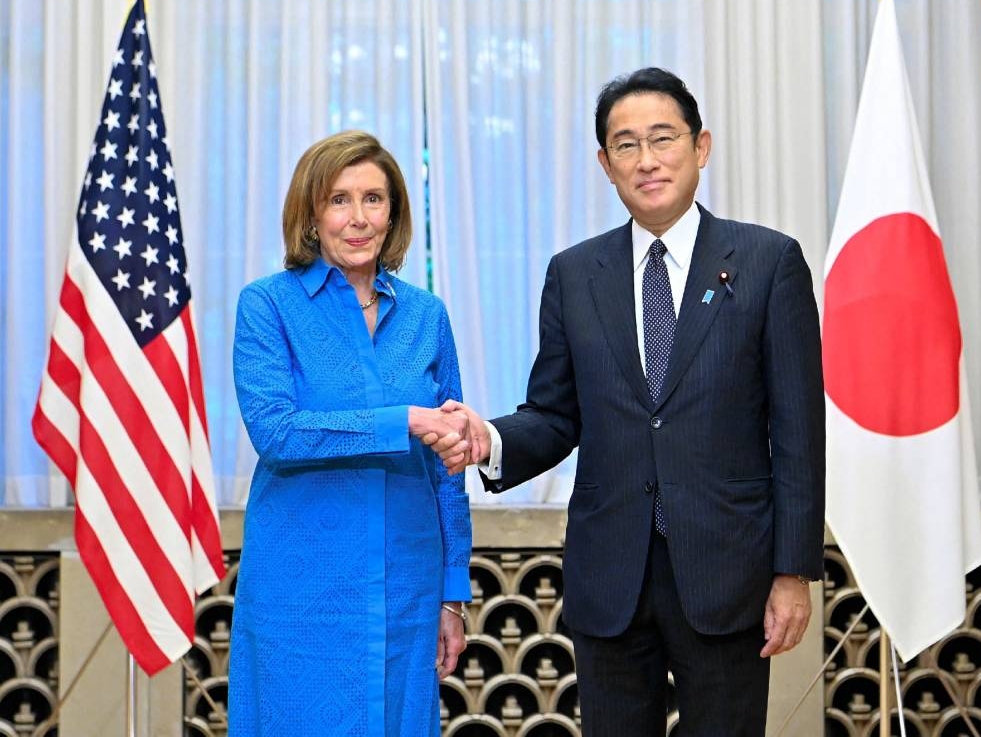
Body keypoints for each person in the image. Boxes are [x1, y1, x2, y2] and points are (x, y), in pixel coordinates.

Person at [436, 68, 825, 736]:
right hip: (610, 575)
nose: (646, 160)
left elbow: (798, 432)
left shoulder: (768, 262)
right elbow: (556, 414)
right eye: (625, 145)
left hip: (728, 576)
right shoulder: (575, 274)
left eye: (662, 138)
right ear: (604, 164)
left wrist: (793, 570)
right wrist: (489, 440)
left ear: (700, 146)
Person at [229, 130, 473, 736]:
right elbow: (278, 433)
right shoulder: (267, 306)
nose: (358, 218)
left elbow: (452, 463)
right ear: (311, 213)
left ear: (394, 214)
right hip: (301, 591)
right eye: (339, 199)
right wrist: (405, 421)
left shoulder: (426, 315)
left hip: (407, 589)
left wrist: (451, 594)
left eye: (374, 199)